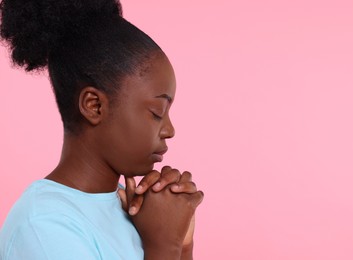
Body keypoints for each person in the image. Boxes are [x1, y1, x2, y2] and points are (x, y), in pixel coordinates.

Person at [0, 0, 204, 259]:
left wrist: (182, 242)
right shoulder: (44, 226)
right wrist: (164, 246)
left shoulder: (130, 207)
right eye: (157, 113)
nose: (170, 130)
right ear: (94, 106)